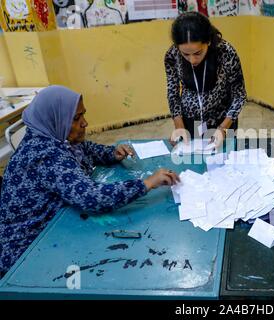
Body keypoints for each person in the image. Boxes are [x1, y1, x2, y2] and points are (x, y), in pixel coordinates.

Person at [0, 85, 180, 278]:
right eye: (76, 119)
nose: (85, 123)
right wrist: (147, 183)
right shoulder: (45, 155)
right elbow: (92, 198)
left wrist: (112, 153)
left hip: (53, 227)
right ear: (55, 119)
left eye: (83, 114)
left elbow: (86, 148)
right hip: (27, 250)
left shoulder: (55, 135)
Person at [164, 11, 247, 146]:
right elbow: (173, 94)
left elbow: (239, 95)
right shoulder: (172, 56)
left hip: (223, 120)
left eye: (198, 53)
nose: (192, 60)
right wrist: (179, 126)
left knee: (224, 162)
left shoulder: (226, 53)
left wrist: (223, 129)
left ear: (208, 41)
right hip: (190, 121)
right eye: (185, 54)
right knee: (193, 162)